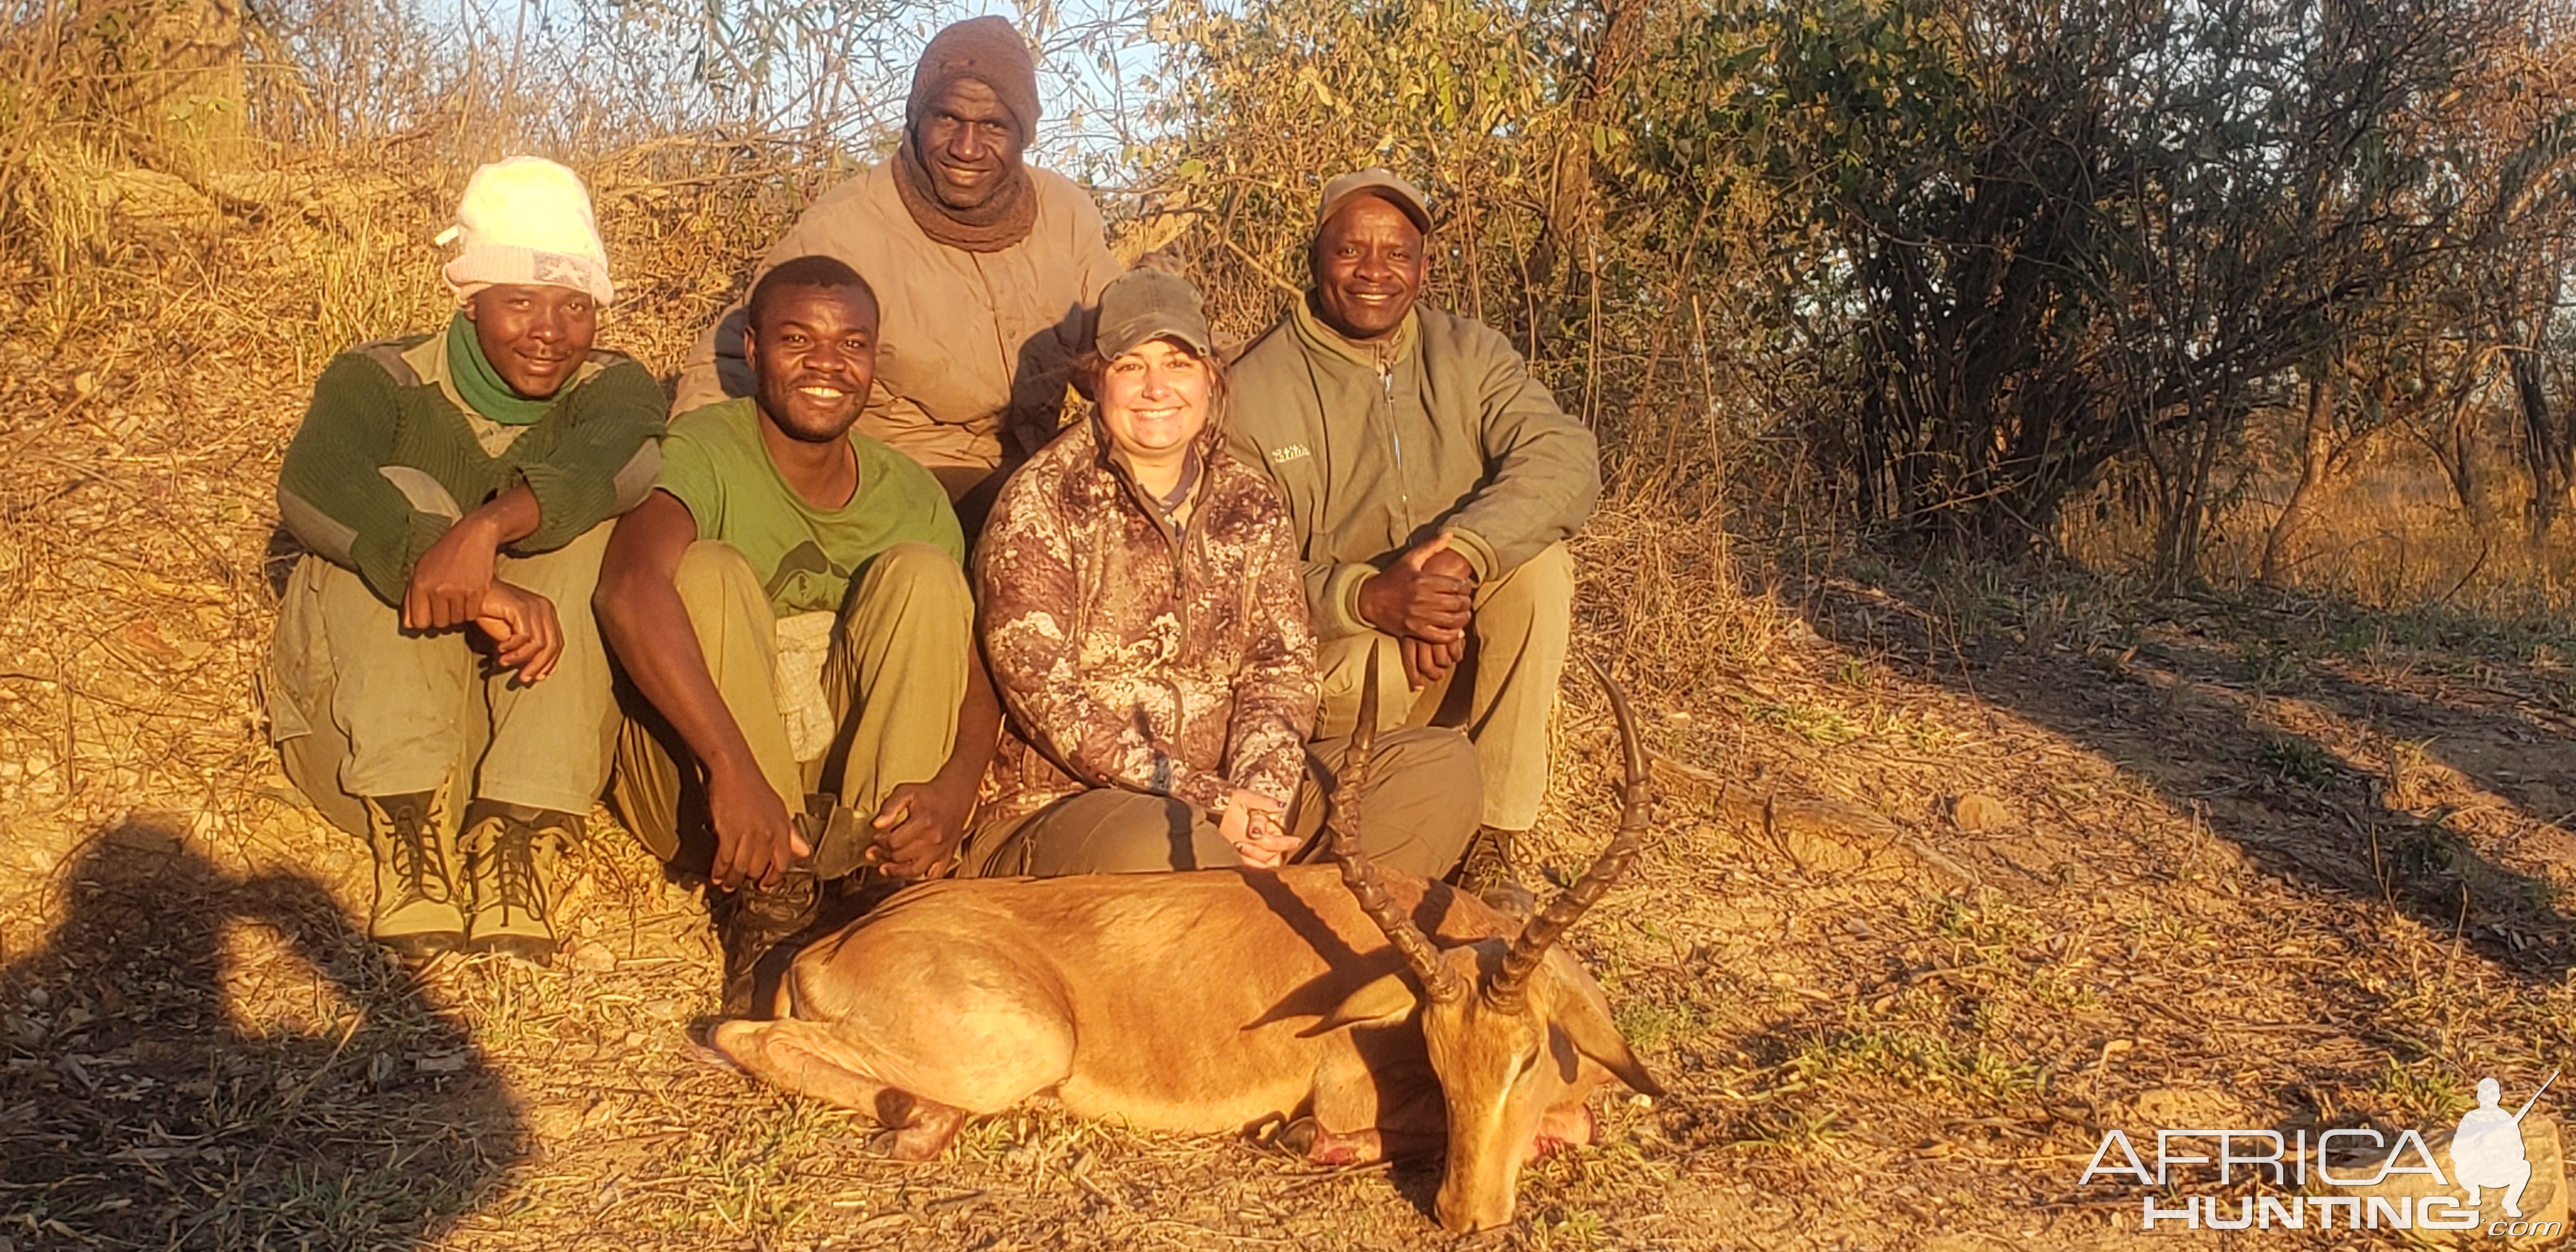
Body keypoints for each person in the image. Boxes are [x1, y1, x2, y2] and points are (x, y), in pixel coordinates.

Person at [267, 156, 665, 961]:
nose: (550, 331)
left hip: (512, 747)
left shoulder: (612, 386)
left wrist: (486, 532)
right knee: (395, 495)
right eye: (519, 301)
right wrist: (466, 579)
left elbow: (624, 462)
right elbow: (312, 485)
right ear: (470, 298)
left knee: (591, 523)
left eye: (575, 306)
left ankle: (514, 835)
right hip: (361, 750)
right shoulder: (378, 377)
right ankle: (408, 834)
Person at [965, 267, 1479, 879]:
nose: (1157, 388)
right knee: (1172, 848)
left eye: (1178, 363)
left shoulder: (1249, 499)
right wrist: (1207, 802)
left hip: (1227, 801)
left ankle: (1336, 946)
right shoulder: (1043, 501)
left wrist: (1261, 802)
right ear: (1095, 380)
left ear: (1211, 376)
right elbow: (1051, 704)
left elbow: (1280, 669)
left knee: (1440, 771)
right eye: (1132, 366)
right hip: (1068, 807)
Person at [595, 256, 1000, 1014]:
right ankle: (770, 903)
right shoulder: (704, 448)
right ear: (752, 350)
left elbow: (973, 665)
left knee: (926, 575)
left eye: (852, 344)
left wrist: (955, 789)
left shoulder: (907, 489)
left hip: (840, 788)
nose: (827, 364)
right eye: (797, 339)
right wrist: (732, 768)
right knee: (708, 569)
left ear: (875, 360)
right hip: (708, 786)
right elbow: (627, 588)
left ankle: (878, 886)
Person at [1225, 169, 1602, 896]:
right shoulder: (1252, 389)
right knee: (1379, 664)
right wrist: (1365, 597)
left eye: (1397, 254)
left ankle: (1493, 838)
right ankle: (1365, 846)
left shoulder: (1472, 354)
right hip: (1339, 660)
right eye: (1350, 252)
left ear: (1425, 268)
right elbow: (1237, 577)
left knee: (1540, 569)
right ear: (1315, 258)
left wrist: (1460, 556)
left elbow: (1565, 458)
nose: (1374, 272)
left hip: (1452, 639)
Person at [673, 16, 1121, 526]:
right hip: (901, 482)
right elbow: (730, 354)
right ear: (915, 120)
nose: (967, 148)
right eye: (947, 119)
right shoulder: (845, 228)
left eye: (993, 126)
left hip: (1038, 471)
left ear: (1023, 133)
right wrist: (697, 484)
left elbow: (1125, 330)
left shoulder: (1065, 212)